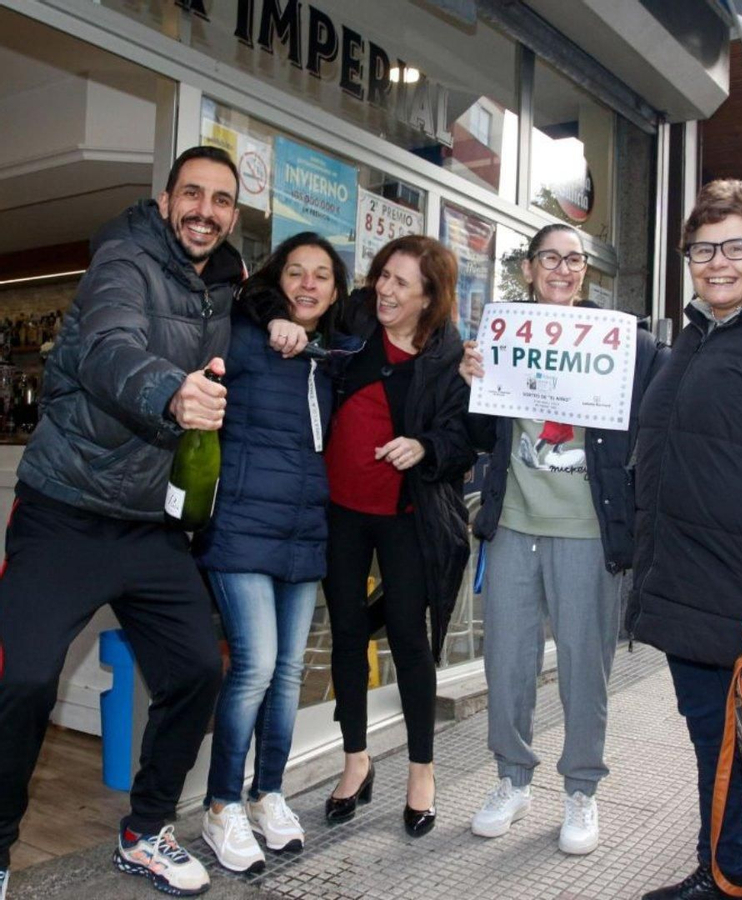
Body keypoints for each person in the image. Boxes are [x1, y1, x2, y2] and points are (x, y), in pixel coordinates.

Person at [0, 145, 243, 897]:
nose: (205, 210)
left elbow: (314, 308)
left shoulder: (227, 284)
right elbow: (110, 350)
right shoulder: (123, 262)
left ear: (234, 215)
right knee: (26, 680)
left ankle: (145, 830)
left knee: (201, 669)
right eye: (192, 194)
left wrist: (304, 332)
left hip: (149, 525)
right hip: (64, 514)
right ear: (166, 199)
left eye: (222, 200)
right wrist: (172, 392)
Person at [456, 223, 666, 853]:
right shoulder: (500, 337)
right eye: (551, 258)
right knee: (508, 663)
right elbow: (475, 442)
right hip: (514, 523)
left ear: (585, 272)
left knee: (584, 665)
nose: (563, 269)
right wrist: (472, 385)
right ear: (529, 268)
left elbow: (659, 422)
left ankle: (581, 790)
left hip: (586, 529)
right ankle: (512, 779)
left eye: (574, 260)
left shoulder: (626, 344)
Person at [631, 180, 742, 900]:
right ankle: (722, 870)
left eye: (736, 247)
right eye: (703, 249)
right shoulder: (695, 336)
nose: (718, 262)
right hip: (685, 584)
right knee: (715, 745)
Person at [192, 232, 349, 873]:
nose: (308, 285)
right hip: (240, 528)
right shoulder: (247, 332)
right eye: (295, 272)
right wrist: (266, 311)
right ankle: (221, 804)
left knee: (288, 672)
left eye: (322, 276)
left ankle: (268, 793)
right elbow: (229, 285)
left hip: (302, 531)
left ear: (336, 292)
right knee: (255, 666)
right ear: (277, 279)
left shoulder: (328, 357)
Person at [311, 235, 473, 838]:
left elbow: (462, 442)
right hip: (340, 512)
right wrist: (280, 320)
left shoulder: (447, 353)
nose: (385, 289)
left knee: (409, 640)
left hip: (408, 516)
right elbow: (288, 308)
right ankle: (355, 762)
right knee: (348, 633)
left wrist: (426, 445)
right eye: (383, 276)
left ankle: (421, 771)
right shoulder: (351, 321)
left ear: (429, 297)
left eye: (402, 283)